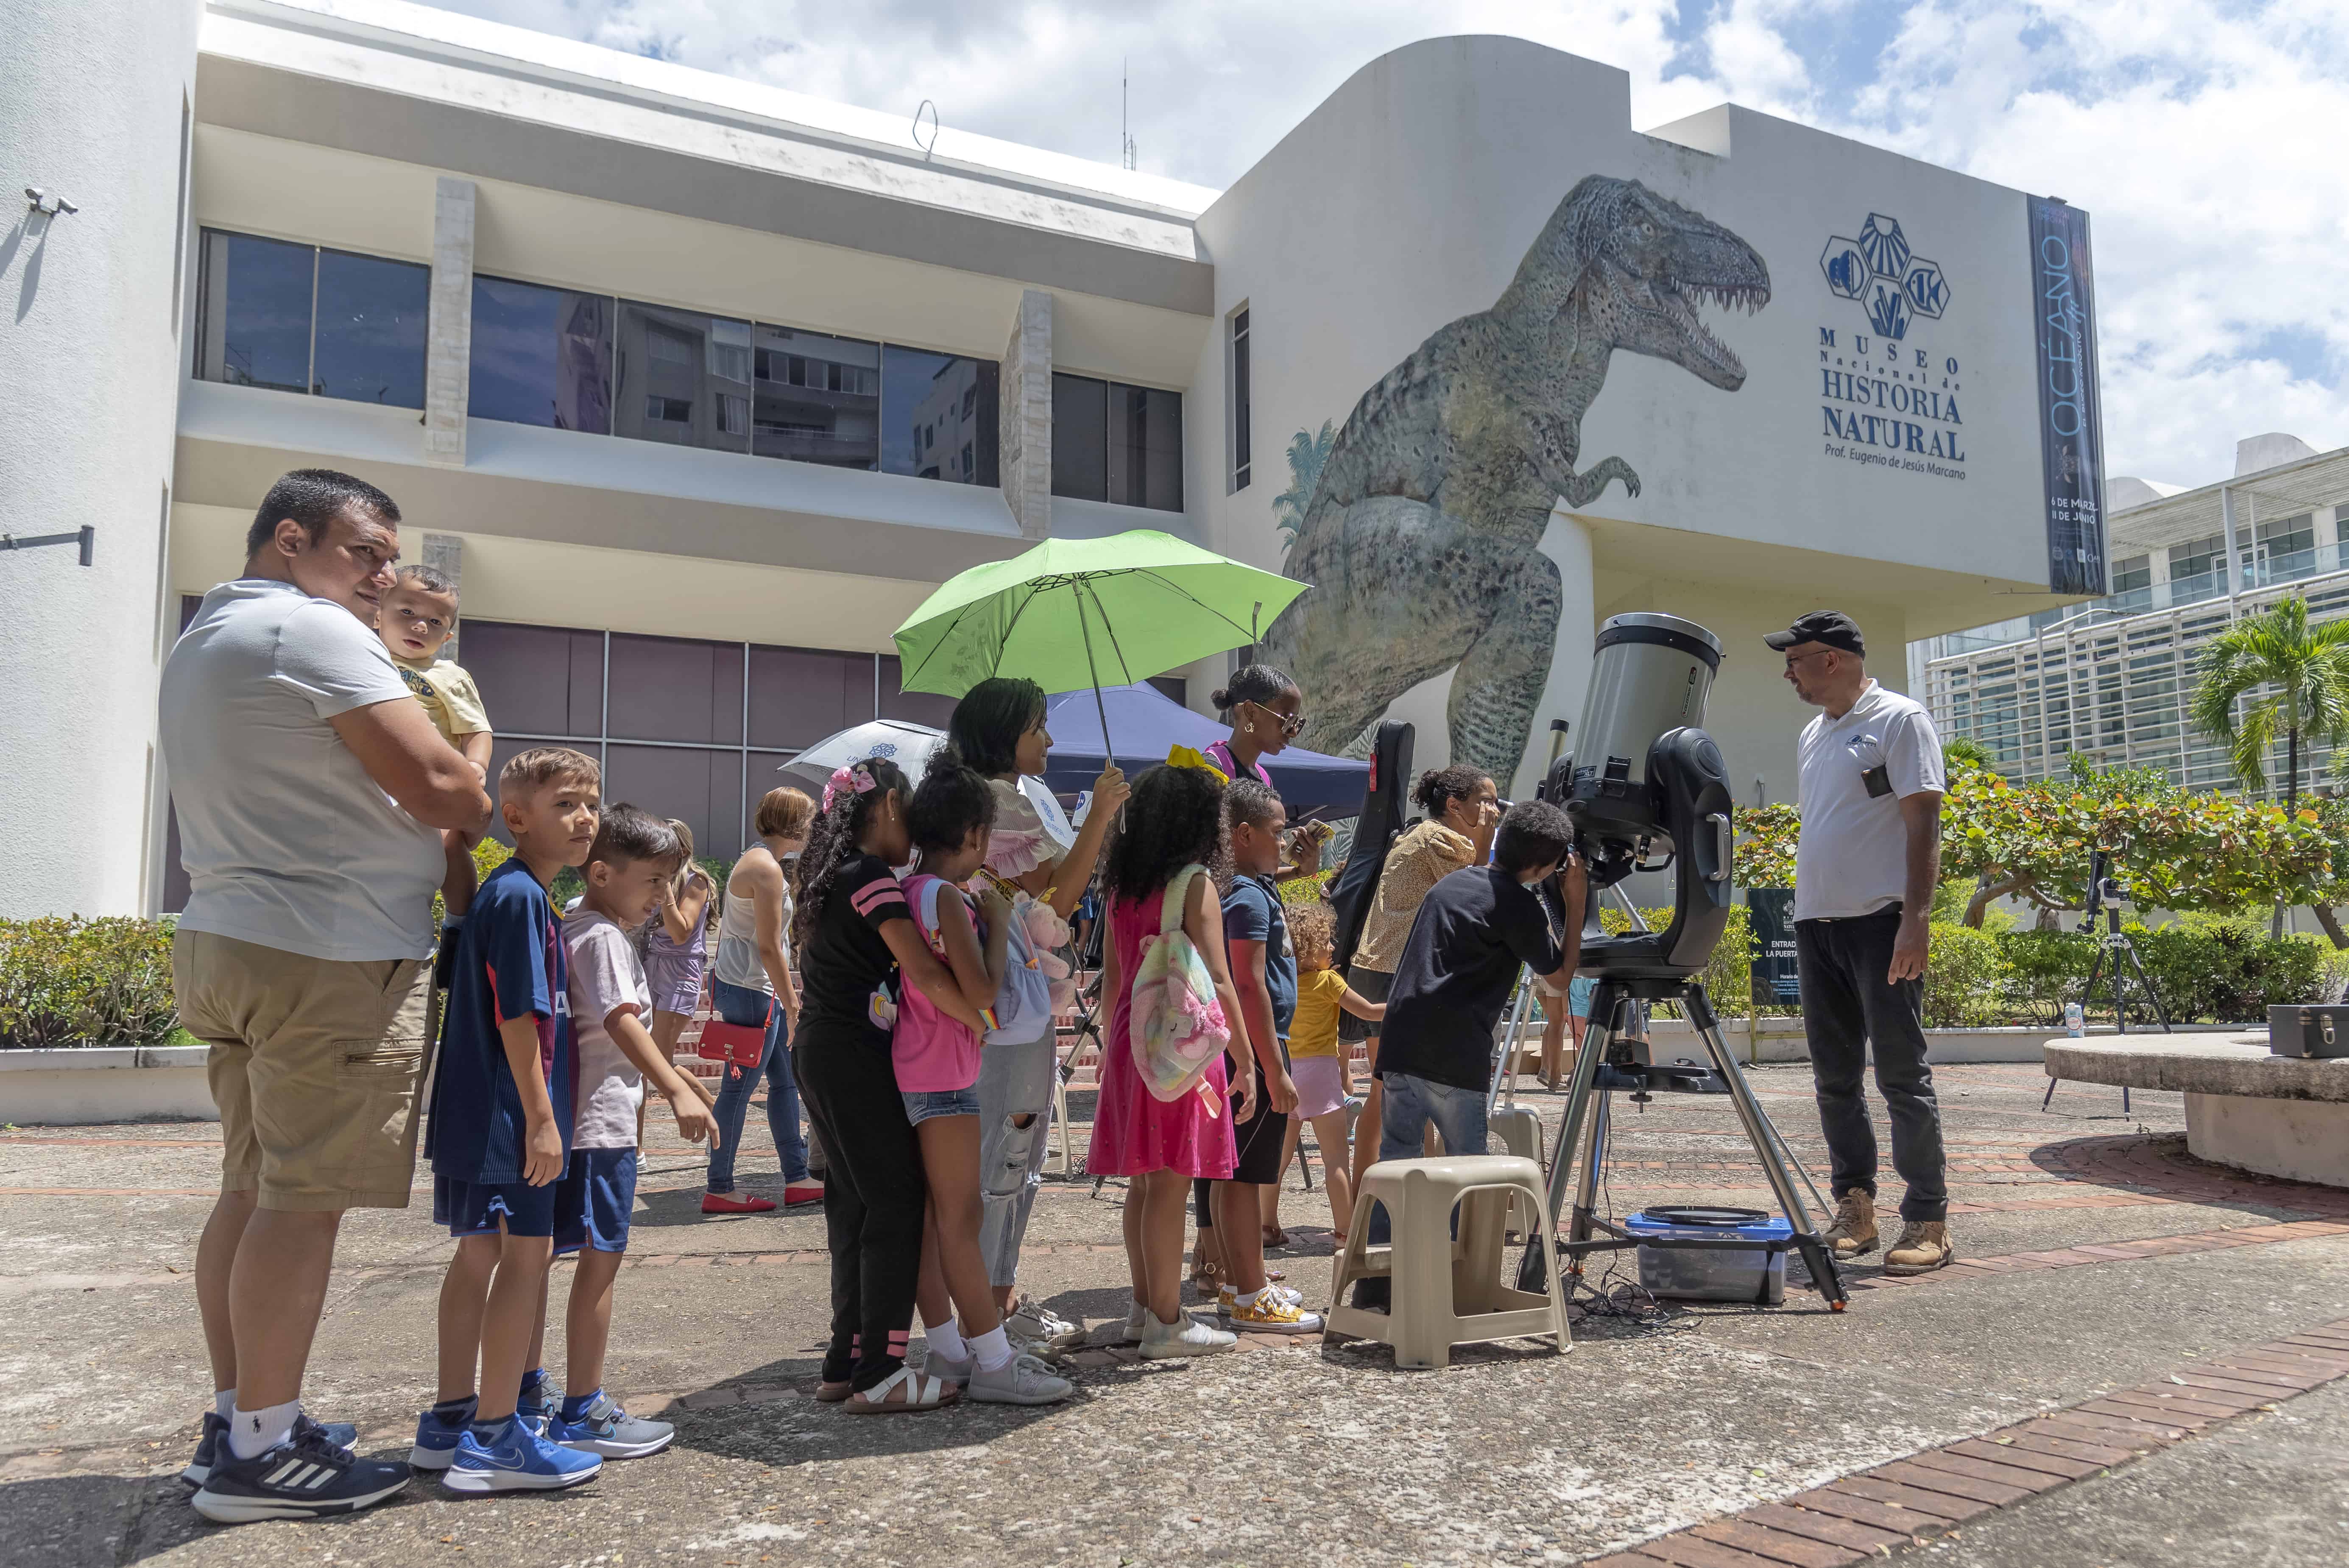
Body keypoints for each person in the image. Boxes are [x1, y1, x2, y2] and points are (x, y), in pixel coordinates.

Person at [164, 469, 491, 1523]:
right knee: (301, 1204)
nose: (382, 577)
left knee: (253, 1187)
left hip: (234, 934)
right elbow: (448, 789)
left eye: (390, 560)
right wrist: (471, 780)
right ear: (292, 538)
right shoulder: (311, 632)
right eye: (366, 554)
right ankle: (260, 1453)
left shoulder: (210, 633)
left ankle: (240, 1414)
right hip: (325, 952)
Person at [416, 747, 605, 1493]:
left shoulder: (505, 890)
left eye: (590, 800)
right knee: (524, 1260)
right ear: (518, 816)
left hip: (474, 1111)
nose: (585, 815)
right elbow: (519, 1015)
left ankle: (453, 1416)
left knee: (476, 1259)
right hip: (509, 1116)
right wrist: (540, 1118)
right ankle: (495, 1436)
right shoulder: (524, 895)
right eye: (565, 802)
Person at [791, 757, 997, 1412]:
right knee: (897, 1200)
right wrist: (981, 1019)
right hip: (853, 1051)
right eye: (905, 810)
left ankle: (844, 1360)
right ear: (882, 808)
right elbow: (928, 975)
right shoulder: (871, 876)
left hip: (821, 1049)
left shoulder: (831, 878)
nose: (912, 826)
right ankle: (881, 1368)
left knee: (853, 1203)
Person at [946, 677, 1129, 1348]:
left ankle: (997, 1299)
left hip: (993, 1003)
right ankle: (991, 1314)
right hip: (1012, 1010)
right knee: (1012, 1152)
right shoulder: (1001, 801)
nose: (1049, 740)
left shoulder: (988, 796)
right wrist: (1102, 815)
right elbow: (1058, 894)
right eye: (1037, 727)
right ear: (1004, 734)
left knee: (1005, 1151)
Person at [1769, 610, 1952, 1275]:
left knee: (1902, 1073)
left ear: (1834, 659)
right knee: (1834, 1078)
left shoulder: (1900, 720)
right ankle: (1856, 1204)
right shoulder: (1814, 734)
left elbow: (1923, 822)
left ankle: (1928, 1216)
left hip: (1881, 923)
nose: (1787, 672)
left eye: (1795, 659)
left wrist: (1917, 917)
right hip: (1817, 924)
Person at [1353, 800, 1584, 1310]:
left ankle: (1377, 1284)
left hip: (1400, 1040)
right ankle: (1451, 1285)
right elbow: (1560, 976)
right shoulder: (1518, 905)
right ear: (1545, 867)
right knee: (1463, 1173)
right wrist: (1576, 900)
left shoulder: (1452, 883)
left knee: (1396, 1163)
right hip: (1454, 1051)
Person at [895, 760, 1074, 1405]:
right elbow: (983, 990)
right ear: (974, 836)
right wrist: (999, 921)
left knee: (940, 1216)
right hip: (944, 1075)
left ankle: (947, 1348)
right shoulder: (944, 895)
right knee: (960, 1217)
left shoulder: (916, 890)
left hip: (931, 1067)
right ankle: (992, 1358)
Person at [547, 804, 720, 1457]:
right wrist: (672, 1086)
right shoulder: (605, 938)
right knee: (600, 1262)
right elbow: (621, 1021)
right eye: (652, 882)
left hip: (586, 1122)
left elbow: (610, 1030)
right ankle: (583, 1408)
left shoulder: (580, 923)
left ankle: (540, 1390)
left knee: (566, 1259)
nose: (662, 898)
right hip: (602, 1130)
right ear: (600, 873)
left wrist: (677, 1074)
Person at [1089, 760, 1247, 1359]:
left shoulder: (1122, 885)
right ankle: (1167, 1320)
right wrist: (1249, 1061)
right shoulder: (1195, 883)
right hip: (1180, 1038)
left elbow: (1112, 977)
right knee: (1172, 1185)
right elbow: (1223, 982)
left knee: (1145, 1182)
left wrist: (1110, 1045)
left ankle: (1142, 1307)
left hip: (1132, 1033)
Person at [1342, 764, 1499, 1197]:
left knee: (1405, 1094)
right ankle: (1369, 1203)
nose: (1494, 808)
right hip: (1394, 972)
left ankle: (1392, 1199)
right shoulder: (1439, 840)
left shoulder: (1428, 834)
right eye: (1485, 800)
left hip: (1382, 968)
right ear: (1454, 805)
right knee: (1389, 1095)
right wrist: (1485, 841)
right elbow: (1476, 891)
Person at [1207, 780, 1320, 1332]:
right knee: (1247, 1178)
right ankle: (1252, 1292)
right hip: (1256, 1048)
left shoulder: (1246, 885)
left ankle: (1238, 1283)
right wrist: (1273, 1068)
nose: (1286, 841)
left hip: (1249, 1047)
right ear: (1244, 834)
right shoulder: (1247, 895)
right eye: (1277, 833)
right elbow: (1247, 983)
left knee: (1238, 1175)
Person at [702, 787, 823, 1214]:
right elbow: (771, 947)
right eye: (809, 820)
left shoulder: (760, 861)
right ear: (792, 824)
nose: (812, 828)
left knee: (784, 1082)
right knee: (740, 1090)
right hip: (753, 989)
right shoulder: (766, 869)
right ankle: (719, 1185)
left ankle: (796, 1177)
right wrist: (793, 1005)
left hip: (750, 986)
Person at [378, 563, 495, 927]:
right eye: (408, 612)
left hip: (429, 779)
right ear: (378, 613)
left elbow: (476, 729)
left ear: (446, 638)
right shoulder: (362, 656)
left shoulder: (449, 676)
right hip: (372, 774)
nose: (419, 626)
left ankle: (460, 924)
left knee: (448, 843)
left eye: (435, 622)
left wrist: (476, 767)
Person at [1281, 900, 1385, 1238]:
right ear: (1309, 950)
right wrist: (1407, 1002)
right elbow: (1369, 1012)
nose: (1331, 947)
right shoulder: (1329, 981)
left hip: (1287, 1074)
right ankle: (1344, 1231)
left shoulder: (1282, 982)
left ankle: (1267, 1225)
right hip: (1322, 1075)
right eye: (1325, 941)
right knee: (1336, 1160)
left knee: (1276, 1164)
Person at [644, 817, 718, 1060]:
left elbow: (680, 933)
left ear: (683, 850)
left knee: (659, 1057)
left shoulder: (696, 882)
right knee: (645, 1057)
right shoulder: (651, 880)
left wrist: (665, 888)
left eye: (665, 845)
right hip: (653, 964)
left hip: (681, 969)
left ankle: (704, 1101)